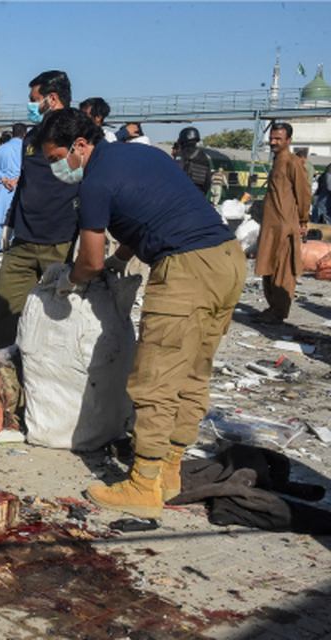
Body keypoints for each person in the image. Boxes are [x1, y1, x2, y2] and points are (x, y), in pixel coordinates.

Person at [34, 107, 245, 518]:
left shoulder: (94, 183)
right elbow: (154, 210)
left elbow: (89, 262)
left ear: (80, 146)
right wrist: (123, 256)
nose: (57, 168)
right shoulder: (144, 155)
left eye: (57, 159)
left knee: (155, 379)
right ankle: (170, 471)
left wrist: (70, 281)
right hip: (228, 260)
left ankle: (143, 486)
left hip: (186, 269)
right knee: (192, 371)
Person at [0, 70, 80, 349]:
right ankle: (4, 367)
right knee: (5, 302)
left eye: (34, 99)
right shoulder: (31, 137)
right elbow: (26, 181)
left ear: (52, 99)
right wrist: (10, 223)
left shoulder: (80, 133)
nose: (30, 105)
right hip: (25, 241)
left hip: (62, 241)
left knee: (63, 317)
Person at [254, 123, 312, 325]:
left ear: (289, 140)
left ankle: (279, 311)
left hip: (285, 225)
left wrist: (303, 220)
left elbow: (304, 193)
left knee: (283, 269)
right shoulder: (278, 161)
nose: (273, 142)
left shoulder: (292, 162)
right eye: (272, 138)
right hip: (271, 226)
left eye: (278, 139)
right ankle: (272, 308)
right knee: (268, 267)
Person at [0, 124, 25, 257]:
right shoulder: (27, 149)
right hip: (19, 187)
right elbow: (28, 169)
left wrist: (4, 179)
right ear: (24, 135)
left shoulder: (1, 149)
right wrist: (16, 180)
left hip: (2, 188)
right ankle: (13, 248)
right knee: (17, 218)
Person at [176, 127, 212, 194]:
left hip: (184, 191)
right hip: (199, 193)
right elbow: (208, 179)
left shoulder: (181, 154)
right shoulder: (203, 156)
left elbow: (177, 172)